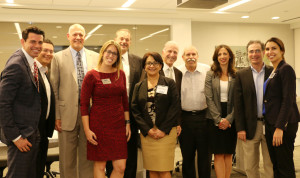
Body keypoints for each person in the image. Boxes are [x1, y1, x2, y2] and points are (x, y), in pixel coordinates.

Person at [50, 24, 98, 178]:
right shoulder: (57, 57)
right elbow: (54, 89)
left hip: (90, 114)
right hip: (66, 114)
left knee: (88, 156)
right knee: (67, 157)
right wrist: (57, 116)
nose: (78, 37)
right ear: (68, 36)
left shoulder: (95, 57)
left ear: (85, 37)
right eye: (75, 34)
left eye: (81, 35)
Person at [80, 40, 131, 178]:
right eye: (108, 51)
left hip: (118, 125)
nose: (111, 55)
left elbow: (125, 101)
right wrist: (87, 130)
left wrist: (127, 124)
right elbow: (84, 105)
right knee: (100, 166)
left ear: (118, 57)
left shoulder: (120, 74)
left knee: (121, 167)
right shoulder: (91, 75)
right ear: (102, 53)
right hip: (99, 125)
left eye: (115, 53)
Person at [0, 26, 44, 178]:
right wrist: (16, 137)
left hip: (31, 132)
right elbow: (3, 104)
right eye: (33, 42)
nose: (37, 46)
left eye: (40, 42)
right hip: (21, 136)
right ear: (22, 41)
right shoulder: (16, 64)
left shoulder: (30, 62)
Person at [131, 52, 180, 178]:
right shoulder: (139, 86)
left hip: (166, 132)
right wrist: (147, 130)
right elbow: (135, 110)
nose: (151, 66)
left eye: (155, 63)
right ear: (144, 66)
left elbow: (174, 107)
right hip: (148, 134)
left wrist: (162, 130)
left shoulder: (169, 83)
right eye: (148, 63)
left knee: (164, 170)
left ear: (160, 66)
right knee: (152, 170)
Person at [106, 28, 143, 178]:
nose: (124, 42)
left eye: (127, 39)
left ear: (130, 42)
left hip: (132, 113)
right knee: (111, 151)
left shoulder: (138, 61)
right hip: (111, 113)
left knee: (130, 151)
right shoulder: (107, 60)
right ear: (115, 39)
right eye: (121, 39)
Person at [234, 40, 273, 178]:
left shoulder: (273, 71)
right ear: (247, 54)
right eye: (251, 51)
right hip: (250, 126)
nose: (254, 54)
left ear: (263, 53)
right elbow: (238, 105)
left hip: (270, 125)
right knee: (250, 166)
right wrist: (240, 128)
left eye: (257, 51)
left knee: (270, 164)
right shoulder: (241, 75)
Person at [263, 37, 300, 178]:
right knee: (277, 165)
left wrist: (279, 127)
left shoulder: (286, 69)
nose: (270, 52)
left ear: (282, 50)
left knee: (284, 166)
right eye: (267, 49)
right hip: (272, 123)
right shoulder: (274, 70)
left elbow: (288, 100)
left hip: (283, 125)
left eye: (274, 48)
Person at [178, 46, 211, 178]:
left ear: (197, 56)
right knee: (187, 156)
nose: (191, 57)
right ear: (183, 57)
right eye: (187, 54)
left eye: (193, 54)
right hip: (184, 119)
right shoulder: (177, 72)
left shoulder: (207, 70)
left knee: (205, 156)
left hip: (204, 117)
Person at [205, 45, 236, 178]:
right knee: (218, 153)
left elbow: (238, 100)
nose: (222, 57)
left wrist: (229, 119)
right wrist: (218, 120)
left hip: (231, 116)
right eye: (219, 54)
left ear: (230, 56)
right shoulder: (210, 74)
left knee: (229, 153)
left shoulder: (236, 75)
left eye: (225, 54)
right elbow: (209, 97)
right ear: (216, 57)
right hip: (213, 117)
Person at [35, 39, 56, 178]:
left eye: (51, 51)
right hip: (31, 133)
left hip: (42, 132)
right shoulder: (30, 71)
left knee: (37, 170)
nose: (48, 54)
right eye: (45, 50)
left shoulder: (44, 73)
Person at [161, 41, 182, 136]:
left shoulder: (179, 73)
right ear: (163, 52)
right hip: (157, 122)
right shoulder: (154, 70)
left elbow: (178, 100)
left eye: (175, 52)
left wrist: (178, 122)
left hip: (173, 122)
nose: (172, 55)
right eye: (169, 51)